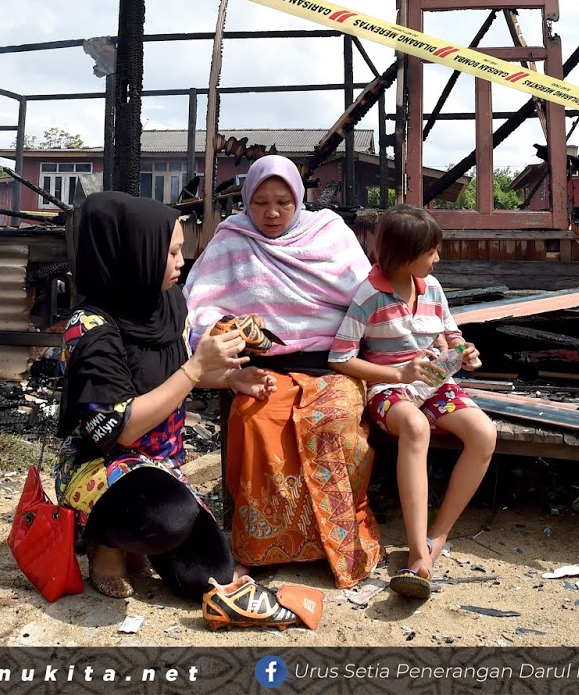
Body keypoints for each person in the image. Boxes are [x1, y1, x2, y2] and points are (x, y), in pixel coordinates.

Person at [54, 192, 267, 605]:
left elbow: (173, 378)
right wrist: (196, 369)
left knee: (209, 579)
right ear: (133, 254)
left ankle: (137, 539)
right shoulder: (91, 329)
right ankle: (107, 547)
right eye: (169, 253)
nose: (180, 263)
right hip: (100, 465)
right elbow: (123, 429)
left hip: (162, 468)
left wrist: (229, 379)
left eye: (180, 250)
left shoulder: (167, 302)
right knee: (166, 518)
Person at [184, 155, 382, 589]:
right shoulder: (231, 240)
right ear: (246, 203)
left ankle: (334, 543)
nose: (271, 213)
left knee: (334, 424)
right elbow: (202, 302)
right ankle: (258, 548)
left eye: (282, 202)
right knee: (256, 422)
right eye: (260, 203)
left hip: (332, 365)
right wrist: (228, 333)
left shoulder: (329, 233)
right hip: (266, 367)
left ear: (299, 200)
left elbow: (367, 298)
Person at [329, 204, 493, 600]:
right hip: (389, 388)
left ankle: (438, 536)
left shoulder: (432, 288)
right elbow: (340, 358)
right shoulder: (369, 295)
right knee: (416, 427)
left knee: (484, 434)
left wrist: (466, 352)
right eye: (432, 251)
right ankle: (418, 553)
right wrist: (397, 376)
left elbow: (451, 334)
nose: (438, 258)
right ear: (405, 255)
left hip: (434, 382)